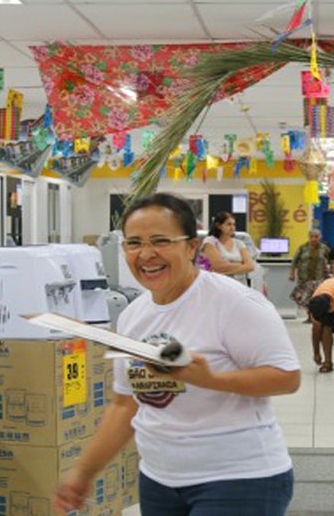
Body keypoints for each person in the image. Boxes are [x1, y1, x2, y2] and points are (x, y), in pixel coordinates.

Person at [55, 193, 300, 516]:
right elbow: (125, 403)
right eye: (134, 243)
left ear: (191, 247)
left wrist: (212, 379)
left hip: (239, 480)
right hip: (159, 480)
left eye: (160, 241)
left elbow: (286, 377)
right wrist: (83, 473)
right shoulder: (133, 316)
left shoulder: (234, 303)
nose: (146, 254)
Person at [200, 212, 255, 284]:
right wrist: (241, 265)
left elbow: (250, 266)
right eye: (229, 224)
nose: (232, 228)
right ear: (218, 226)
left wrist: (228, 272)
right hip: (219, 283)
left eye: (234, 224)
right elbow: (217, 266)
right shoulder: (210, 241)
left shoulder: (239, 243)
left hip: (240, 284)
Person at [289, 229, 330, 322]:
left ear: (320, 237)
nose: (314, 239)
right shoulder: (303, 248)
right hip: (304, 277)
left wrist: (333, 272)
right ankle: (309, 316)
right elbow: (294, 261)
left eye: (316, 237)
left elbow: (332, 260)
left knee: (316, 298)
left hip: (318, 277)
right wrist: (292, 274)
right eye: (311, 236)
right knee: (304, 298)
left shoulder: (324, 248)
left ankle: (315, 317)